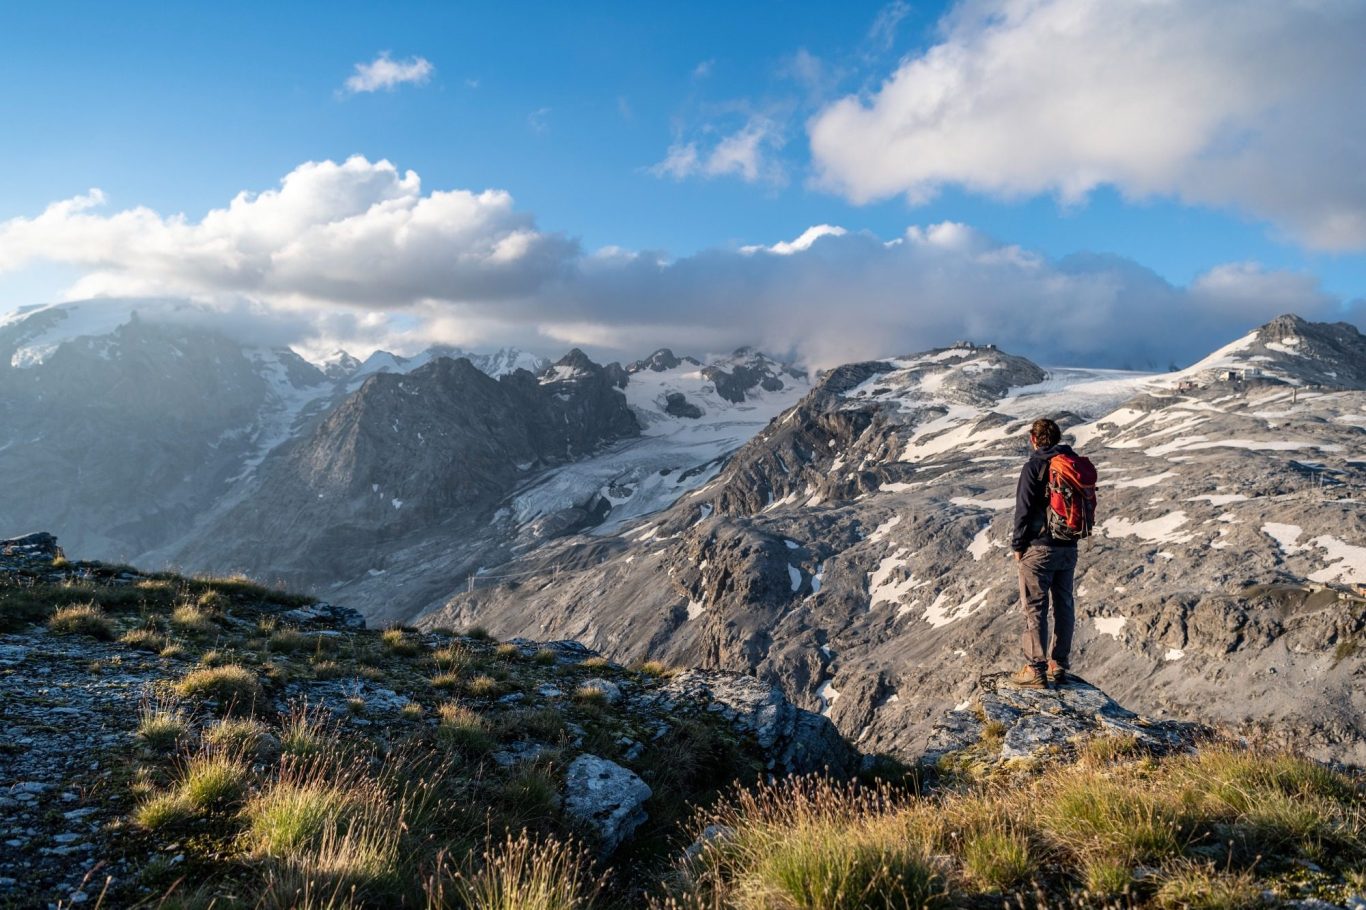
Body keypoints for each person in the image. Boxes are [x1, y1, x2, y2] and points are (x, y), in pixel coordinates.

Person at [1009, 418, 1080, 688]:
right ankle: (1058, 664)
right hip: (1068, 546)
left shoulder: (1034, 467)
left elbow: (1023, 510)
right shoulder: (1070, 464)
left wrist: (1018, 545)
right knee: (1064, 603)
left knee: (1035, 607)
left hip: (1039, 549)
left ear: (1034, 439)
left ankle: (1035, 668)